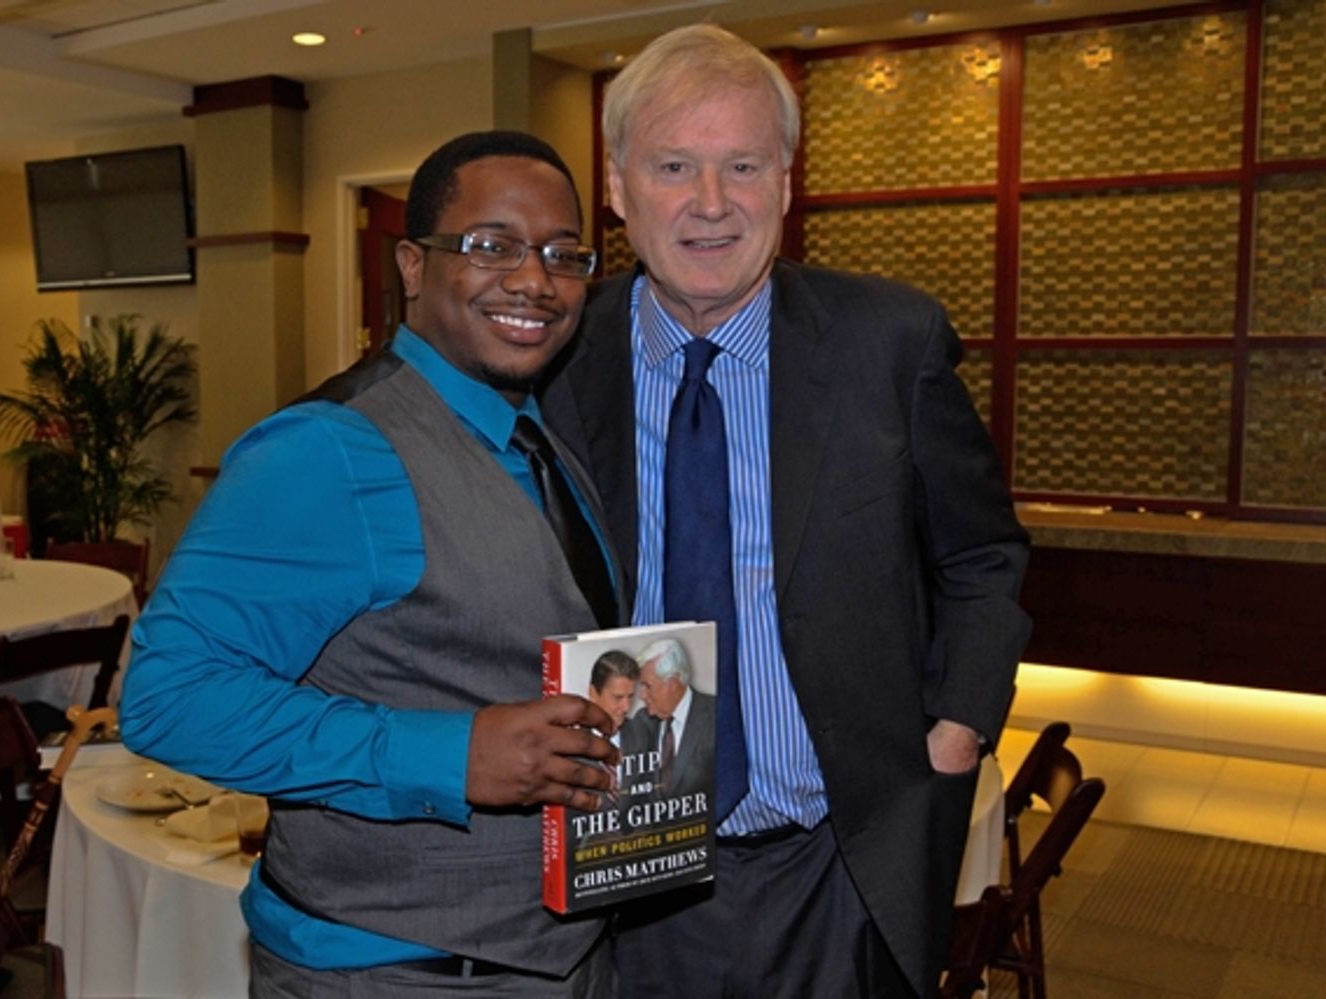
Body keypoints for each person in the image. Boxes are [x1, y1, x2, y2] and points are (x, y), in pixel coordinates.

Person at [539, 23, 1032, 999]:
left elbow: (982, 558)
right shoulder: (551, 362)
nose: (711, 204)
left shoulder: (887, 344)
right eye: (674, 165)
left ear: (787, 186)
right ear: (616, 184)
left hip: (836, 860)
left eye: (743, 166)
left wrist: (955, 728)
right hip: (621, 856)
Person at [121, 130, 624, 998]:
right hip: (397, 972)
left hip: (561, 959)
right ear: (413, 265)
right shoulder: (329, 451)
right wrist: (445, 753)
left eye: (561, 254)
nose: (535, 281)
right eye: (490, 246)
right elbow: (168, 697)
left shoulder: (536, 438)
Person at [629, 637, 714, 801]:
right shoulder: (642, 720)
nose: (642, 696)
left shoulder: (714, 714)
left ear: (673, 683)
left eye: (648, 686)